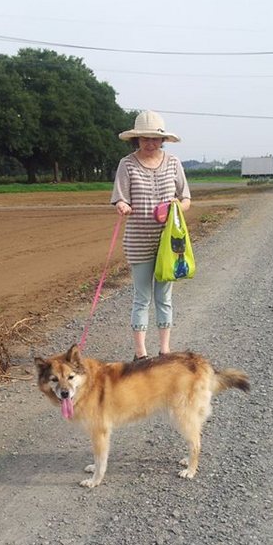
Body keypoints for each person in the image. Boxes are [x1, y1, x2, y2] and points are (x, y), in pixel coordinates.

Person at [111, 110, 191, 360]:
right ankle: (141, 354)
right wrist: (122, 206)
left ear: (163, 140)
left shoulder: (174, 163)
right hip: (138, 241)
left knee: (164, 297)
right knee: (142, 297)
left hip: (168, 242)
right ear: (137, 139)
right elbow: (119, 197)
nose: (150, 143)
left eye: (155, 139)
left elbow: (186, 198)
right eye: (145, 139)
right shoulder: (126, 164)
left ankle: (165, 351)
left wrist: (175, 208)